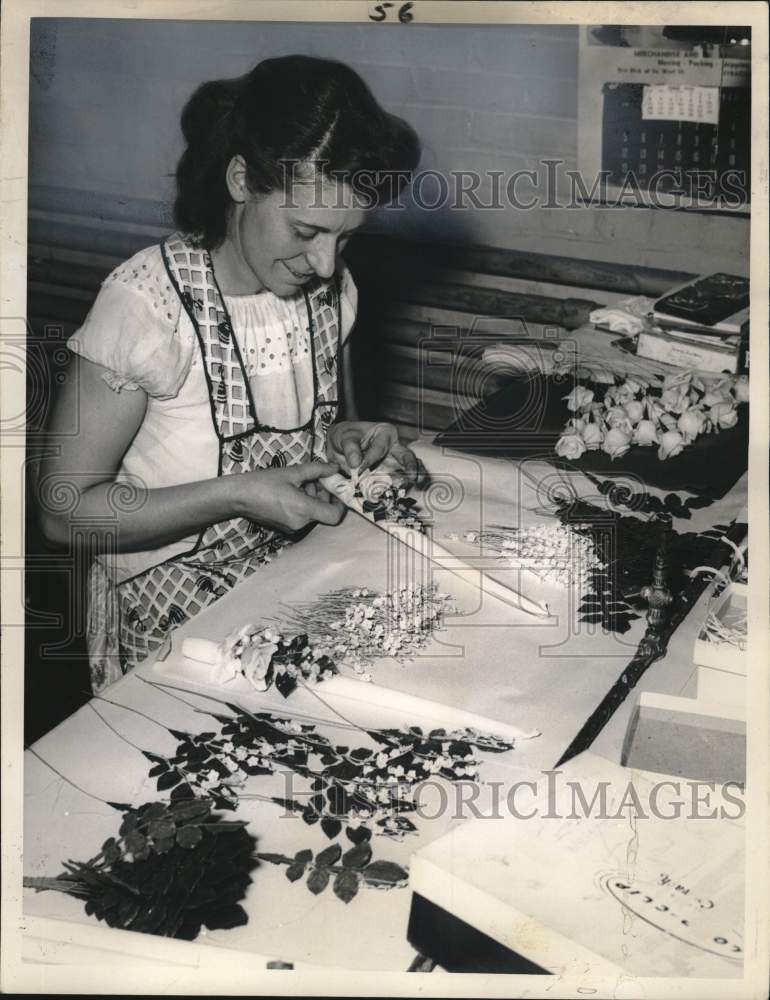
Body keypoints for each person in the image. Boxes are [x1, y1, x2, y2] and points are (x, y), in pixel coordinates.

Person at [38, 55, 422, 693]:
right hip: (165, 632)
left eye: (346, 237)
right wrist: (239, 493)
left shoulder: (330, 293)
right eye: (306, 229)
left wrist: (344, 441)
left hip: (285, 605)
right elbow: (62, 512)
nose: (326, 264)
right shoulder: (146, 306)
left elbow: (309, 426)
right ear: (241, 180)